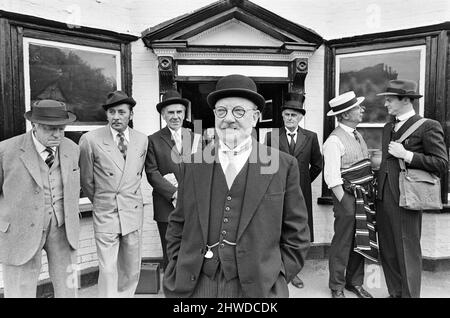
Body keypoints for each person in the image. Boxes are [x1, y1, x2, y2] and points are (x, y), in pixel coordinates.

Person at [163, 74, 310, 298]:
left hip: (259, 287)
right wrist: (175, 266)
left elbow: (297, 233)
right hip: (197, 285)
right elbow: (177, 224)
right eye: (221, 111)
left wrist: (279, 274)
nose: (229, 118)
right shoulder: (193, 165)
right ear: (214, 116)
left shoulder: (283, 165)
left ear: (256, 117)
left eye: (239, 111)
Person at [0, 99, 80, 298]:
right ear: (34, 125)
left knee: (69, 288)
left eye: (61, 129)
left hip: (63, 228)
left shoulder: (72, 148)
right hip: (19, 231)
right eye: (50, 129)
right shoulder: (6, 150)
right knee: (19, 290)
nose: (57, 134)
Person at [376, 79, 447, 298]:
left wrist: (407, 155)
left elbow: (441, 163)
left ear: (406, 100)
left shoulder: (428, 126)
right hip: (383, 195)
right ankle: (395, 292)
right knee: (387, 250)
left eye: (390, 99)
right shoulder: (388, 127)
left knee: (407, 251)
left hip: (408, 197)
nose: (386, 103)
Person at [79, 90, 148, 297]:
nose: (116, 117)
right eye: (111, 112)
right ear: (106, 115)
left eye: (121, 112)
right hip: (106, 211)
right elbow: (87, 181)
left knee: (131, 268)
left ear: (131, 115)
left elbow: (136, 175)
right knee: (108, 269)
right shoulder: (90, 140)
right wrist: (102, 200)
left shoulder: (142, 140)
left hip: (132, 210)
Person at [323, 91, 378, 298]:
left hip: (364, 196)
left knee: (360, 239)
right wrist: (345, 204)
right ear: (345, 114)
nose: (362, 109)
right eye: (357, 107)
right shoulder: (334, 141)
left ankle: (354, 282)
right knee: (343, 242)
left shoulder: (357, 134)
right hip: (346, 197)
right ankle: (336, 285)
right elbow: (332, 177)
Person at [265, 92, 322, 289]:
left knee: (296, 230)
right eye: (287, 114)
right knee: (276, 229)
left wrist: (302, 181)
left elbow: (317, 165)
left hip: (301, 192)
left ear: (300, 117)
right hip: (276, 192)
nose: (290, 118)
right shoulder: (271, 137)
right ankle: (275, 268)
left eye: (294, 115)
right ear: (282, 116)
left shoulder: (311, 137)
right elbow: (265, 166)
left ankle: (293, 271)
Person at [145, 89, 200, 271]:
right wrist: (174, 193)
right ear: (163, 114)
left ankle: (189, 287)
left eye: (179, 112)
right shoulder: (152, 140)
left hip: (193, 206)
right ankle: (172, 288)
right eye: (171, 112)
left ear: (184, 113)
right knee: (170, 251)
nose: (175, 116)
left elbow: (204, 171)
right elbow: (152, 172)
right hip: (166, 207)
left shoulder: (196, 138)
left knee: (191, 250)